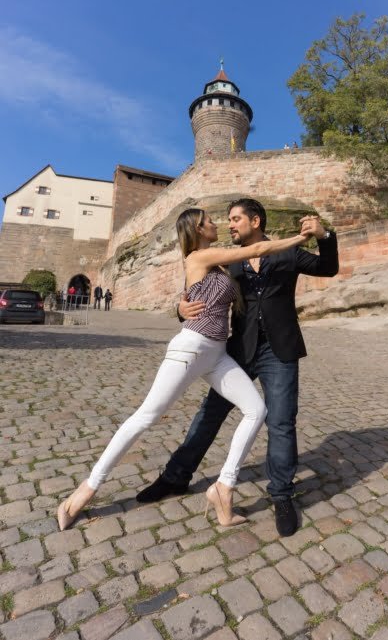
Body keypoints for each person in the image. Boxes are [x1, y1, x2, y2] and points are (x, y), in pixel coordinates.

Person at [57, 207, 315, 531]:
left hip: (218, 354)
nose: (216, 223)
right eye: (210, 220)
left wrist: (179, 306)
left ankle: (223, 489)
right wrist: (300, 237)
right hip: (191, 349)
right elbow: (257, 249)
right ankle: (84, 491)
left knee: (256, 410)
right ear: (198, 228)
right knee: (146, 418)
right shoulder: (197, 257)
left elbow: (198, 295)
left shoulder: (217, 262)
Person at [137, 198, 339, 536]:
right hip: (237, 350)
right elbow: (195, 291)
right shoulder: (225, 263)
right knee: (209, 414)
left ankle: (282, 494)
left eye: (235, 219)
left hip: (280, 349)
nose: (229, 225)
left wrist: (325, 235)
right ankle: (175, 477)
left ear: (255, 220)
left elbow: (327, 268)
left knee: (281, 421)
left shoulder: (287, 253)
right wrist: (180, 309)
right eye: (227, 220)